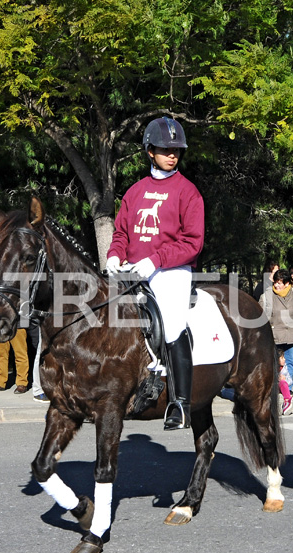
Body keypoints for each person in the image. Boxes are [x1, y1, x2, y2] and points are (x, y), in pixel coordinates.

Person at [106, 116, 204, 430]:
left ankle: (180, 403)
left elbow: (193, 241)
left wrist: (156, 260)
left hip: (171, 271)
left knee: (172, 326)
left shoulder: (188, 192)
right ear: (151, 151)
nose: (172, 154)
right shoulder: (134, 192)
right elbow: (121, 233)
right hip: (134, 270)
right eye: (165, 149)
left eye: (176, 149)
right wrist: (113, 255)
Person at [259, 268, 293, 395]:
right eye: (275, 282)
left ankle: (287, 389)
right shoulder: (267, 295)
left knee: (290, 363)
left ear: (287, 283)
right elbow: (261, 316)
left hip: (291, 335)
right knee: (273, 363)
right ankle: (273, 388)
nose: (276, 285)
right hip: (274, 336)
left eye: (279, 282)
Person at [0, 328, 30, 394]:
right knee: (0, 355)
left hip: (18, 324)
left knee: (20, 354)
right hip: (0, 325)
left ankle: (22, 383)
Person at [278, 351, 293, 416]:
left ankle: (286, 402)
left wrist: (285, 379)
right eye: (282, 358)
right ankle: (285, 402)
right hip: (274, 388)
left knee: (283, 383)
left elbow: (290, 381)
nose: (284, 359)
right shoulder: (272, 367)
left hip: (282, 389)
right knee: (281, 382)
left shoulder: (285, 367)